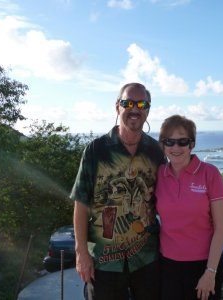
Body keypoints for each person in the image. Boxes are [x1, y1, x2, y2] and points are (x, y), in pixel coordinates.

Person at [70, 82, 165, 300]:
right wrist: (81, 252)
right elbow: (81, 203)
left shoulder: (155, 152)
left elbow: (167, 197)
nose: (135, 108)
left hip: (146, 258)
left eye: (141, 103)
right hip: (104, 260)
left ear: (148, 109)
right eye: (128, 102)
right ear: (117, 107)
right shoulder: (96, 150)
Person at [155, 115, 223, 300]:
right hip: (167, 266)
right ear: (163, 145)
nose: (176, 148)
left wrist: (210, 272)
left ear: (192, 144)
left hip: (203, 265)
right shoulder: (159, 175)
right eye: (169, 142)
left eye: (182, 141)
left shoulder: (209, 173)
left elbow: (220, 228)